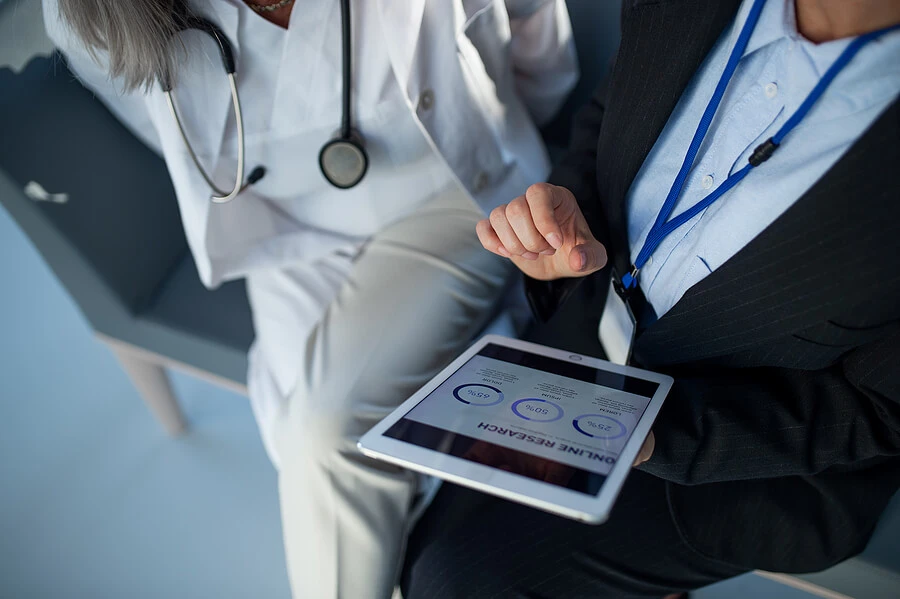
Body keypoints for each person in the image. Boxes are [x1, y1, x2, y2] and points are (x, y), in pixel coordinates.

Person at [42, 0, 578, 596]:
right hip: (288, 232)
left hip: (448, 197)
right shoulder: (89, 14)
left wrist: (519, 143)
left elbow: (539, 47)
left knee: (329, 434)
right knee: (310, 450)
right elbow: (158, 122)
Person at [401, 0, 900, 596]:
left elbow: (881, 408)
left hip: (745, 458)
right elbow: (610, 117)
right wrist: (562, 225)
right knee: (418, 530)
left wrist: (663, 433)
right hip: (587, 342)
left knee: (456, 579)